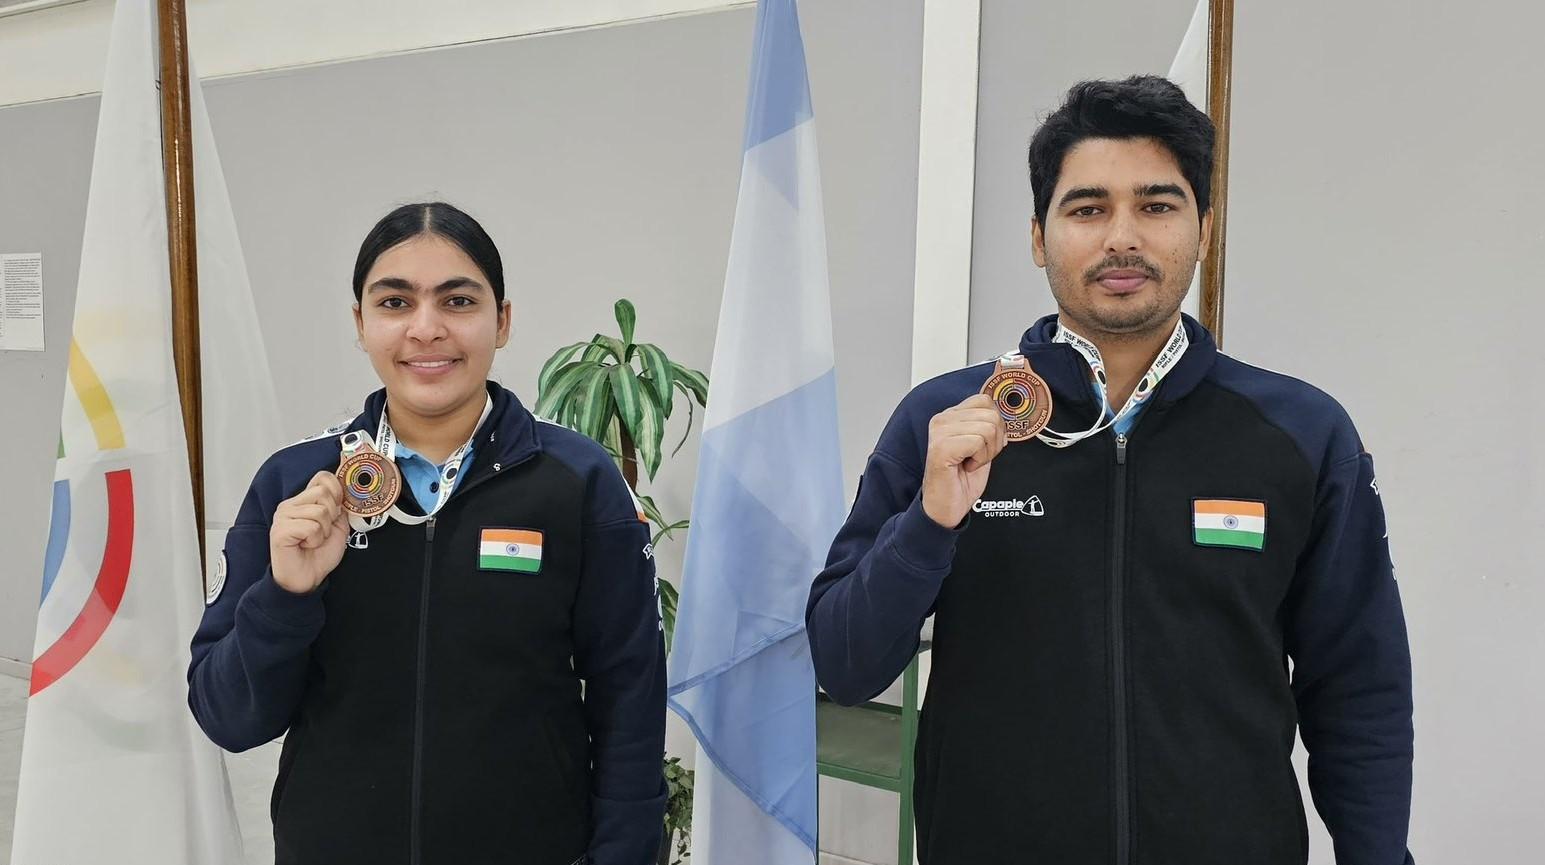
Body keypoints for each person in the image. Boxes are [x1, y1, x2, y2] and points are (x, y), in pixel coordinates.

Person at [807, 77, 1414, 864]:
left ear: (1203, 227)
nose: (1121, 237)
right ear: (1038, 236)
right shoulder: (946, 422)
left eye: (1156, 206)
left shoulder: (1301, 432)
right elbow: (845, 666)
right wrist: (927, 524)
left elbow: (1358, 687)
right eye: (1087, 209)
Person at [188, 202, 666, 865]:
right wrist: (285, 594)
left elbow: (629, 694)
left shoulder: (578, 483)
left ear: (502, 320)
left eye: (458, 301)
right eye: (394, 302)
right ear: (361, 324)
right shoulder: (296, 487)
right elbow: (229, 718)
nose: (426, 328)